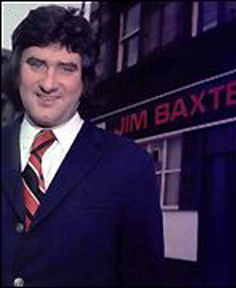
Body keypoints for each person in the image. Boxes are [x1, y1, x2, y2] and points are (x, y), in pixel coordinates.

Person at [1, 5, 164, 286]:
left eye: (66, 68)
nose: (48, 83)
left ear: (84, 80)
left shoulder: (130, 166)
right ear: (17, 72)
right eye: (36, 64)